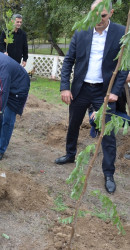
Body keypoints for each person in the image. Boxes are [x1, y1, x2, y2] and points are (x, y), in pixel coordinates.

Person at [54, 0, 128, 194]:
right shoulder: (81, 31)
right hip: (81, 89)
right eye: (95, 15)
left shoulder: (121, 33)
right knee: (73, 124)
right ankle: (70, 154)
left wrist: (115, 91)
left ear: (111, 13)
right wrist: (64, 87)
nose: (98, 20)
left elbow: (123, 66)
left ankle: (109, 173)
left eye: (102, 16)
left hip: (105, 92)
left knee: (107, 133)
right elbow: (69, 60)